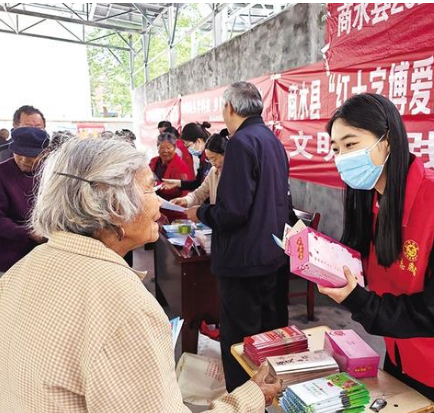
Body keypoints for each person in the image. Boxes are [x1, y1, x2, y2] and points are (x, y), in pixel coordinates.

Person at [0, 137, 281, 412]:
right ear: (114, 205)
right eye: (149, 190)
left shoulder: (22, 270)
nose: (159, 203)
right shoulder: (125, 306)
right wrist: (251, 397)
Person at [318, 93, 434, 413]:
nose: (343, 157)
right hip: (403, 353)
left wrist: (359, 301)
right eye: (336, 149)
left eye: (351, 144)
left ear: (387, 141)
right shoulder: (371, 198)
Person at [186, 82, 290, 392]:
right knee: (268, 337)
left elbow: (233, 212)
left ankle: (245, 402)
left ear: (230, 108)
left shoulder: (241, 143)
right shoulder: (272, 140)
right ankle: (269, 395)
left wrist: (201, 213)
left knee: (240, 342)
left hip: (243, 260)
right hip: (272, 254)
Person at [0, 127, 49, 275]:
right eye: (19, 153)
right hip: (10, 256)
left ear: (44, 154)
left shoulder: (51, 173)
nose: (24, 160)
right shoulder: (2, 173)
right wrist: (27, 233)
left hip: (45, 256)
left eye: (31, 155)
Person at [170, 132, 228, 208]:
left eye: (214, 159)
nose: (213, 163)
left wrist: (201, 211)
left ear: (226, 154)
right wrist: (186, 200)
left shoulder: (237, 174)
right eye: (209, 159)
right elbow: (200, 193)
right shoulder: (213, 172)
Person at [149, 132, 191, 200]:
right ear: (157, 148)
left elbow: (181, 191)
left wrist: (156, 184)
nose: (165, 151)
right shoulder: (153, 161)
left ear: (175, 148)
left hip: (173, 202)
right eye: (162, 148)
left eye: (168, 148)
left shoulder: (181, 165)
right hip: (154, 200)